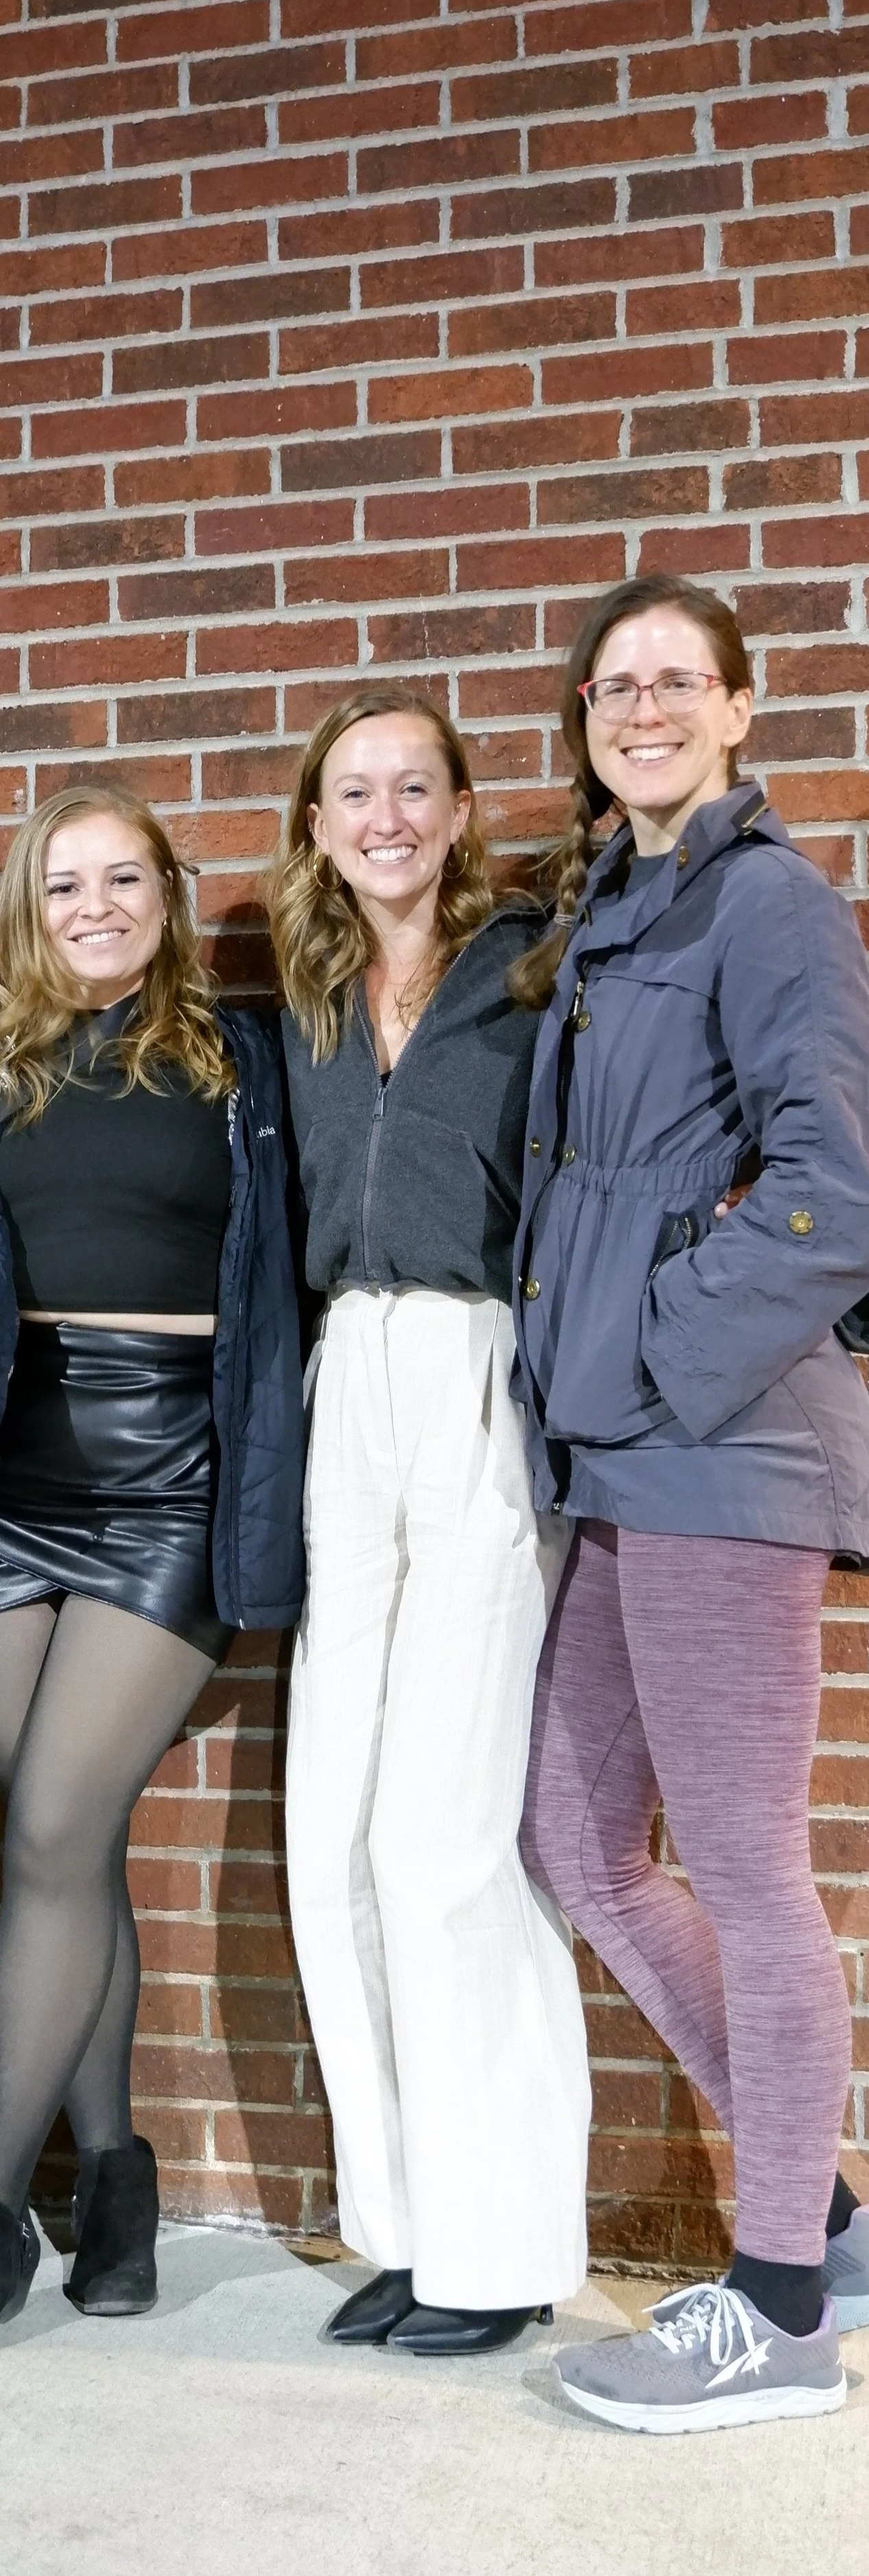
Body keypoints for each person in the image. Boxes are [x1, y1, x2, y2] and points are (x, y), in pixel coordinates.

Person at [0, 784, 305, 2365]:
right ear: (29, 907)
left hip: (176, 1478)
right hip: (7, 1480)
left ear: (171, 894)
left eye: (128, 878)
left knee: (49, 1824)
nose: (100, 905)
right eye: (69, 885)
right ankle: (118, 2180)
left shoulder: (244, 1059)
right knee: (71, 1834)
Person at [510, 572, 869, 2433]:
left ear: (740, 707)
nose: (639, 706)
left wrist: (654, 1352)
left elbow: (838, 1185)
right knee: (576, 1842)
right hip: (625, 1446)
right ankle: (826, 2201)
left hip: (714, 1444)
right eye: (612, 685)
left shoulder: (770, 903)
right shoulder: (620, 911)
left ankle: (784, 2306)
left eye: (675, 681)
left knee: (740, 1860)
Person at [270, 685, 591, 2356]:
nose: (384, 816)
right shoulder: (313, 991)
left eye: (415, 786)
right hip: (348, 1385)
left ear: (463, 808)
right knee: (330, 1837)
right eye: (353, 792)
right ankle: (403, 2220)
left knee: (445, 1841)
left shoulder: (537, 970)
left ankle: (505, 2238)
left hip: (475, 1376)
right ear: (317, 823)